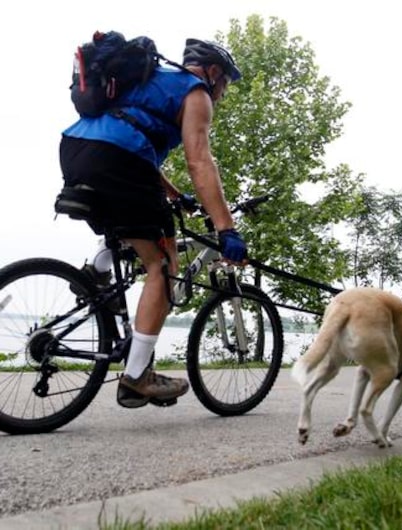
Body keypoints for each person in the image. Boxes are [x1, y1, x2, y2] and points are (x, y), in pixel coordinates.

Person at [58, 38, 248, 408]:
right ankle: (136, 377)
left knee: (130, 224)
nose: (222, 93)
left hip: (76, 150)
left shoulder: (149, 79)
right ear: (211, 72)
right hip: (119, 160)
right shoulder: (196, 93)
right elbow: (200, 162)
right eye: (224, 83)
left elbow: (130, 137)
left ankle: (96, 274)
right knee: (162, 266)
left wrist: (175, 195)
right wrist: (226, 229)